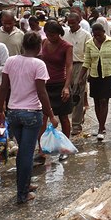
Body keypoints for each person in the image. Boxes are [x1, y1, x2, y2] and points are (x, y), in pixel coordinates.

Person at [0, 32, 58, 204]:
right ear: (39, 47)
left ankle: (26, 184)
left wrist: (0, 110)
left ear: (23, 45)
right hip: (31, 114)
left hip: (13, 113)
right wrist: (51, 115)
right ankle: (22, 194)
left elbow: (4, 88)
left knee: (23, 151)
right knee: (26, 153)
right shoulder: (39, 64)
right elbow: (41, 92)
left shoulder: (11, 61)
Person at [80, 23, 111, 140]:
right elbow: (87, 62)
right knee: (97, 101)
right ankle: (101, 124)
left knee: (104, 100)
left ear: (104, 32)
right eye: (95, 35)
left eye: (99, 35)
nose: (97, 37)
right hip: (94, 75)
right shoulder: (89, 44)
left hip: (108, 75)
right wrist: (80, 77)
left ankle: (101, 127)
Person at [39, 20, 73, 161]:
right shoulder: (44, 42)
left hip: (60, 83)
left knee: (63, 116)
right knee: (43, 117)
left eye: (53, 34)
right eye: (48, 34)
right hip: (46, 84)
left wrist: (66, 86)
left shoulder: (66, 46)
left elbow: (69, 66)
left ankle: (65, 147)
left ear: (59, 33)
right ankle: (41, 150)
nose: (50, 37)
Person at [63, 13, 90, 136]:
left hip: (80, 65)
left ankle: (76, 124)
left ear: (79, 21)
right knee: (67, 93)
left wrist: (86, 71)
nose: (71, 25)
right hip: (66, 65)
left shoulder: (85, 35)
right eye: (69, 22)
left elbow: (88, 54)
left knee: (78, 93)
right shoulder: (65, 34)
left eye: (73, 22)